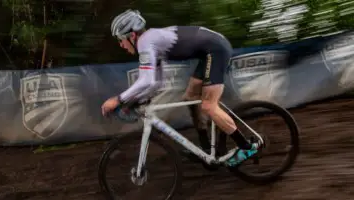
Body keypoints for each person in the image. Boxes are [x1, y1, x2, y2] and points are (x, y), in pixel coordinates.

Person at [101, 9, 259, 166]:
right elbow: (156, 83)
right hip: (209, 52)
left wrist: (118, 99)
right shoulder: (151, 42)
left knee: (209, 105)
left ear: (132, 35)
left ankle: (246, 147)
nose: (121, 45)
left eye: (121, 39)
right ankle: (205, 150)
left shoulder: (145, 42)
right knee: (190, 98)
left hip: (216, 50)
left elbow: (147, 81)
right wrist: (136, 100)